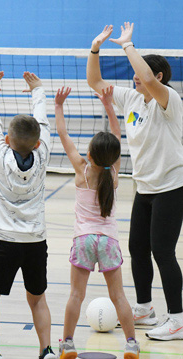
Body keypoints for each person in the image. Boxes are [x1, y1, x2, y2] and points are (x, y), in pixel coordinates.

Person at [87, 22, 183, 341]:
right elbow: (95, 81)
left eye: (142, 74)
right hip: (143, 187)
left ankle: (178, 318)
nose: (134, 78)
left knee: (162, 251)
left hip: (172, 188)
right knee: (137, 248)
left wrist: (128, 46)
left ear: (157, 77)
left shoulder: (169, 99)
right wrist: (95, 48)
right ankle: (145, 308)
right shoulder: (131, 99)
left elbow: (146, 78)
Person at [54, 86, 140, 359]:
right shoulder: (112, 171)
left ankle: (67, 343)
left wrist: (58, 106)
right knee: (119, 297)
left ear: (89, 154)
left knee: (76, 295)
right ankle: (131, 344)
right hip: (109, 241)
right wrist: (108, 104)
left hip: (83, 240)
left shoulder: (82, 168)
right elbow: (116, 134)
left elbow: (63, 134)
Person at [0, 71, 56, 359]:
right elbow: (43, 122)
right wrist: (38, 91)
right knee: (38, 300)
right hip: (36, 241)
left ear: (8, 139)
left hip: (6, 243)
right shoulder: (44, 153)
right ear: (37, 143)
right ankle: (47, 350)